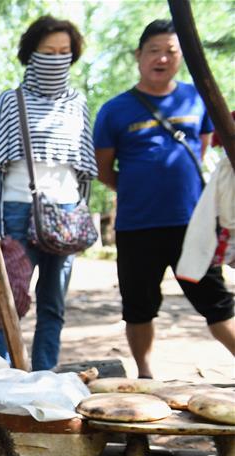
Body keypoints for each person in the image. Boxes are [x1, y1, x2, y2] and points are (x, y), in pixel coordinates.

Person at [93, 19, 235, 379]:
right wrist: (140, 190)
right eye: (154, 50)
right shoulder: (114, 110)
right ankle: (145, 375)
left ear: (181, 57)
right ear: (139, 55)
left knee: (217, 303)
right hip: (136, 226)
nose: (162, 58)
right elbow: (104, 169)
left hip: (193, 223)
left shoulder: (197, 98)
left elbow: (202, 150)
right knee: (138, 307)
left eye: (171, 51)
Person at [0, 15, 97, 371]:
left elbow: (85, 170)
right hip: (17, 210)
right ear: (31, 54)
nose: (57, 60)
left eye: (64, 53)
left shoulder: (77, 103)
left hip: (67, 213)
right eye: (48, 52)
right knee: (6, 302)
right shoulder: (9, 101)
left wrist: (81, 212)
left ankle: (45, 376)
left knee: (53, 304)